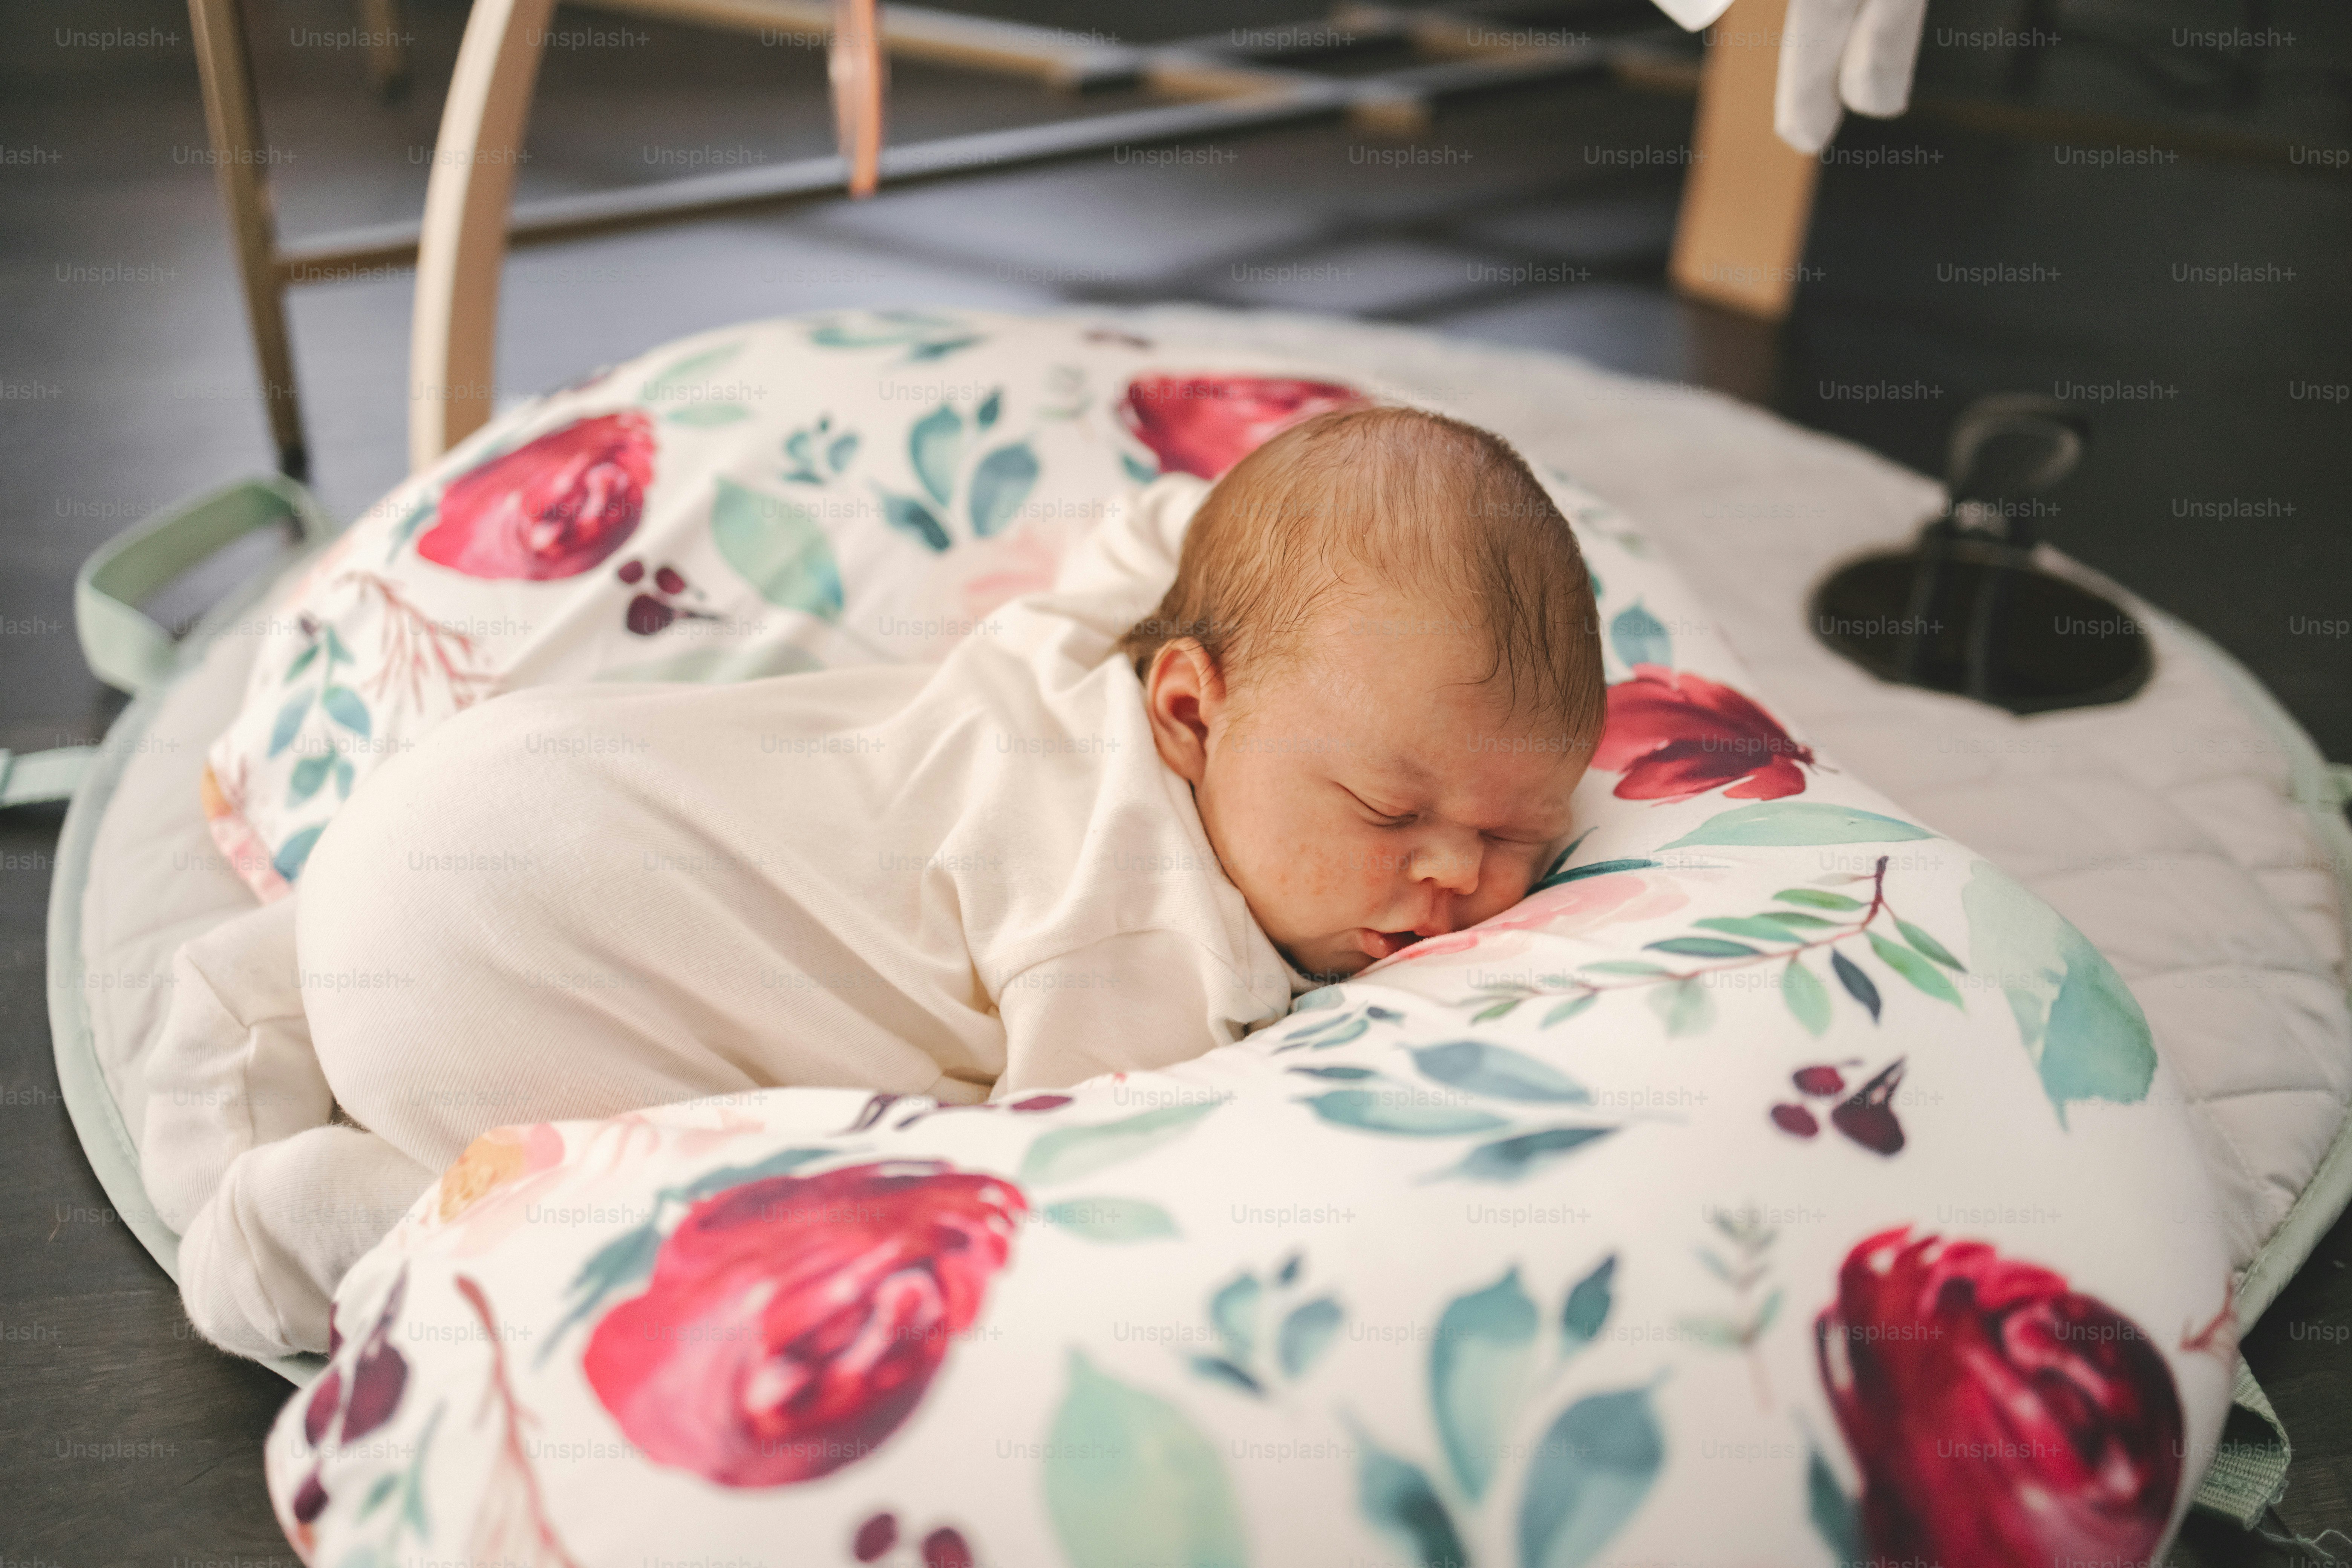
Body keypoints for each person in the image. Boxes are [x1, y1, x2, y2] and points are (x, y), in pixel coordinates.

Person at [142, 403, 1606, 1358]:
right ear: (1190, 704)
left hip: (440, 812)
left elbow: (1167, 532)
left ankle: (241, 1004)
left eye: (1518, 834)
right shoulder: (1144, 937)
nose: (1455, 877)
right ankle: (339, 1219)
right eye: (1390, 805)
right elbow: (1085, 1180)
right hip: (515, 1001)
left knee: (408, 911)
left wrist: (1312, 542)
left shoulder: (1076, 644)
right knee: (734, 1218)